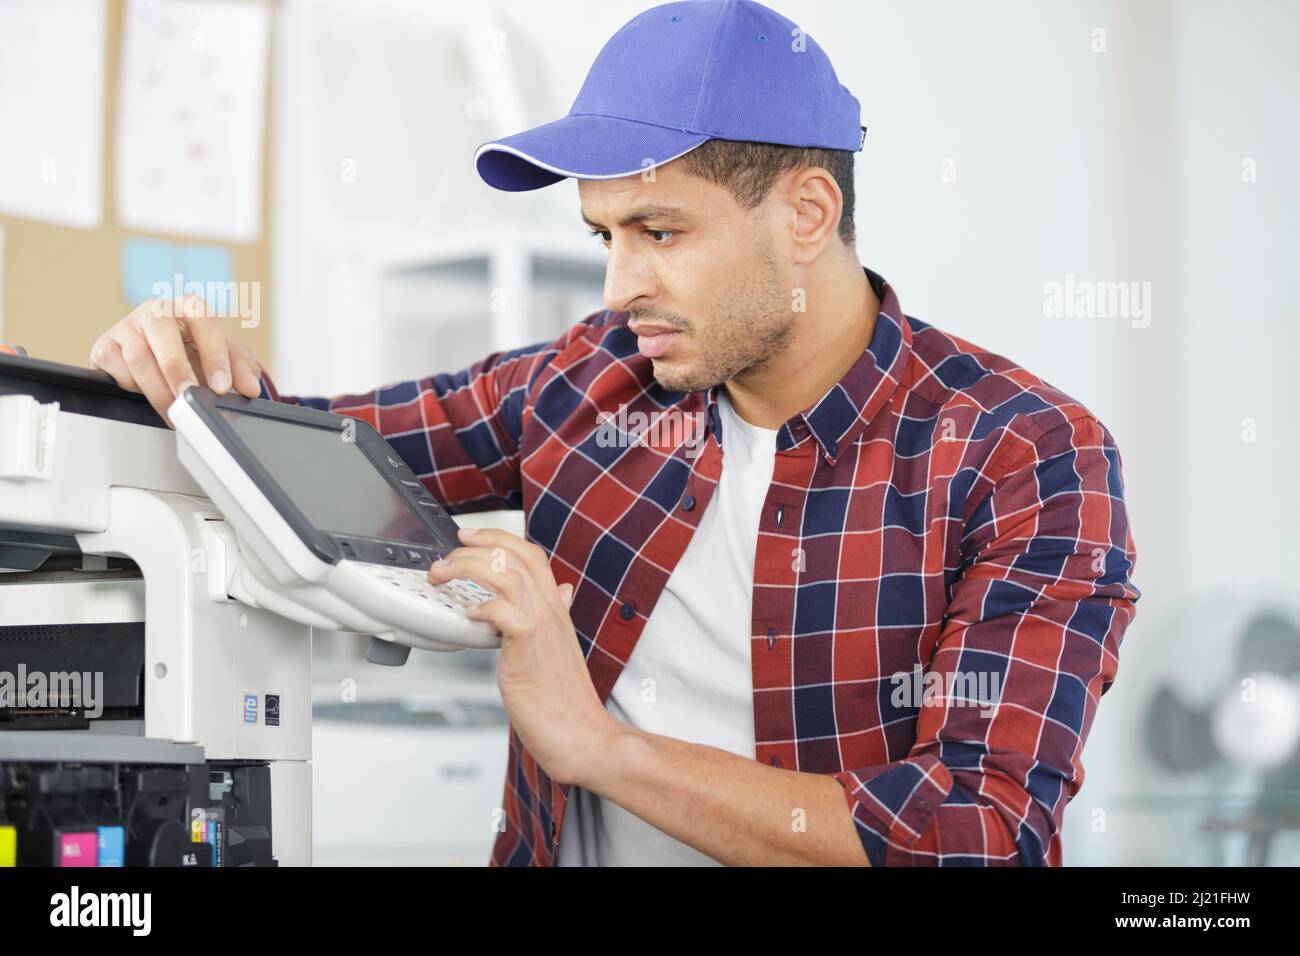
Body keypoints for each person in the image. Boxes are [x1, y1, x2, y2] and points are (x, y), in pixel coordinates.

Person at [89, 0, 1139, 866]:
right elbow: (321, 451)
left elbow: (974, 833)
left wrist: (596, 745)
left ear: (807, 215)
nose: (620, 283)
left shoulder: (1027, 456)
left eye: (661, 231)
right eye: (603, 233)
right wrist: (194, 376)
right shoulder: (594, 379)